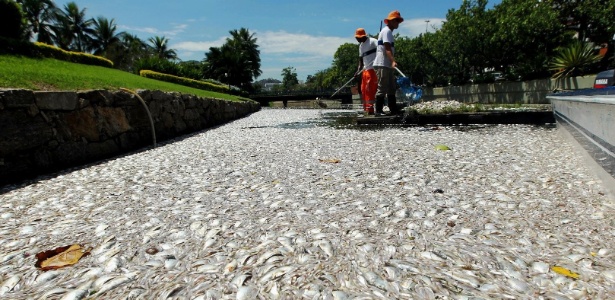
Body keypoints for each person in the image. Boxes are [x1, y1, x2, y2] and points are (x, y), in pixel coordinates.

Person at [374, 10, 404, 115]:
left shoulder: (389, 32)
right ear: (390, 21)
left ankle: (393, 109)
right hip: (382, 63)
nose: (397, 23)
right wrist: (393, 61)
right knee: (382, 87)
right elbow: (387, 49)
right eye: (396, 21)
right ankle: (378, 110)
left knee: (391, 87)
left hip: (387, 64)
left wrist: (391, 62)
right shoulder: (386, 31)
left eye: (398, 21)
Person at [354, 28, 378, 115]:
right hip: (365, 70)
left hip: (373, 69)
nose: (356, 39)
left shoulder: (373, 41)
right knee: (363, 90)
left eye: (358, 37)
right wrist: (358, 70)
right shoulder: (361, 46)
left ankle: (371, 110)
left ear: (362, 36)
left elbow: (381, 49)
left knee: (370, 89)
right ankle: (366, 109)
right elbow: (361, 60)